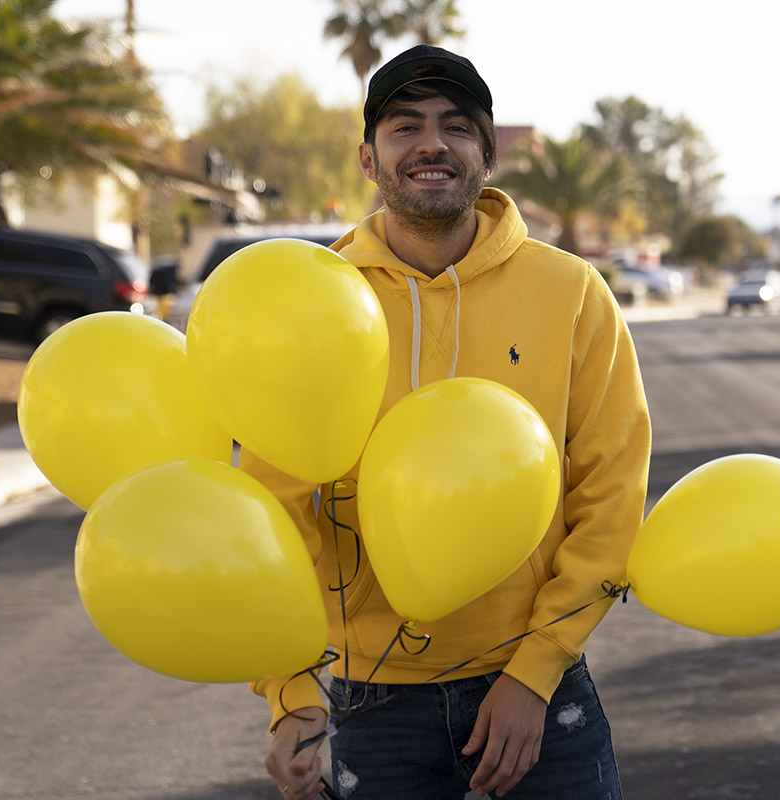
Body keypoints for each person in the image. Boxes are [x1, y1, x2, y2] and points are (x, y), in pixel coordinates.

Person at [242, 44, 651, 799]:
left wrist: (533, 675)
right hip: (371, 701)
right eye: (405, 127)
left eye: (456, 127)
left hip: (535, 688)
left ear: (487, 156)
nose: (431, 143)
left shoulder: (571, 293)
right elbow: (269, 512)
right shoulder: (316, 299)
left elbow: (612, 493)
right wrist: (290, 695)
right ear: (369, 158)